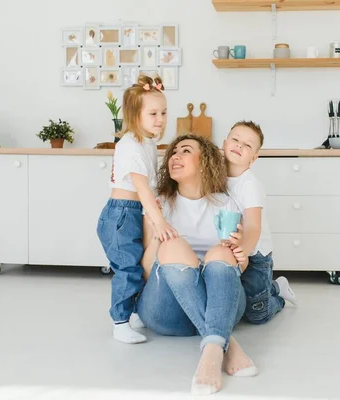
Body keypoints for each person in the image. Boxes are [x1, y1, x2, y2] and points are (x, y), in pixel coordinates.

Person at [136, 134, 257, 396]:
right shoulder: (160, 205)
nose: (175, 157)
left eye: (185, 151)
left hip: (220, 302)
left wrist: (241, 257)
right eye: (173, 153)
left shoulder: (227, 204)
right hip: (167, 311)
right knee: (173, 244)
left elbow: (237, 269)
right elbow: (146, 270)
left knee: (220, 252)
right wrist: (160, 235)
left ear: (205, 162)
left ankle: (211, 350)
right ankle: (226, 343)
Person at [96, 75, 177, 344]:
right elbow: (142, 189)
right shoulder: (130, 145)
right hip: (121, 213)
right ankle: (120, 322)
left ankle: (132, 313)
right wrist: (160, 222)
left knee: (140, 264)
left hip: (132, 211)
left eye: (163, 112)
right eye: (153, 113)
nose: (160, 119)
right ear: (135, 115)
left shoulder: (147, 143)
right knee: (127, 268)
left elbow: (150, 187)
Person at [222, 121, 297, 325]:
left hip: (254, 254)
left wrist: (243, 251)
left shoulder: (250, 185)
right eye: (235, 140)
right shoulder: (215, 177)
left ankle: (277, 290)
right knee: (238, 301)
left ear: (254, 158)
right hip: (233, 249)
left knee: (257, 314)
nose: (239, 145)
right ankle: (267, 289)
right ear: (224, 143)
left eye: (247, 145)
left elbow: (254, 226)